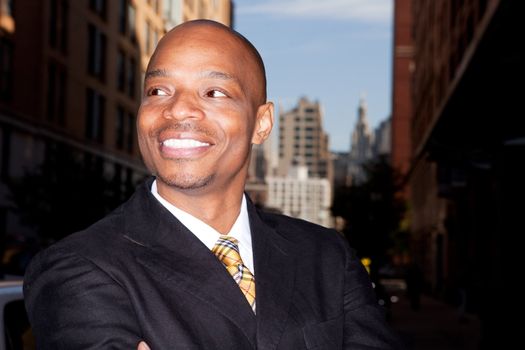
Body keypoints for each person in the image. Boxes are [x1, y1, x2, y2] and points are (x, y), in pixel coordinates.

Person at [23, 19, 404, 349]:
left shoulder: (327, 257)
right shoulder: (77, 269)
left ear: (262, 123)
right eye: (158, 91)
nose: (178, 109)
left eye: (214, 92)